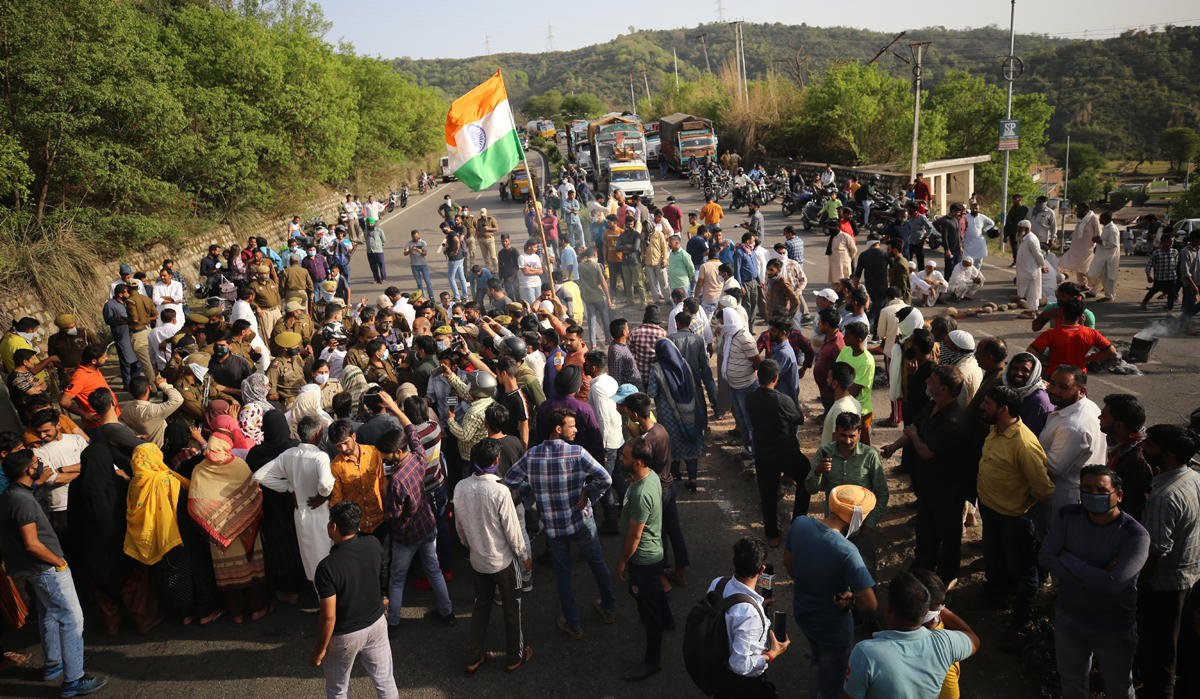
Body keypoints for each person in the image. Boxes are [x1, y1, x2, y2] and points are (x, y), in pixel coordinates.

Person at [1, 449, 109, 696]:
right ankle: (74, 679)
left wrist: (37, 485)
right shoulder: (23, 501)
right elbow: (32, 543)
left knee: (48, 613)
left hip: (32, 569)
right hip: (46, 568)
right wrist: (59, 562)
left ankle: (54, 663)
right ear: (29, 470)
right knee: (71, 618)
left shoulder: (11, 494)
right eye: (36, 463)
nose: (39, 465)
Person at [502, 407, 615, 639]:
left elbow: (510, 479)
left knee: (563, 574)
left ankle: (573, 624)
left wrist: (532, 493)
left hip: (553, 527)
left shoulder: (532, 455)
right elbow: (606, 478)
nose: (576, 430)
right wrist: (588, 491)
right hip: (581, 521)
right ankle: (608, 608)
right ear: (558, 428)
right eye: (571, 426)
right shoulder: (577, 452)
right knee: (598, 565)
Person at [1038, 465, 1148, 699]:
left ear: (1118, 495)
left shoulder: (1135, 535)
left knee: (1119, 689)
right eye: (1087, 488)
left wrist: (1066, 557)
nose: (1093, 494)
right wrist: (1091, 580)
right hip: (1069, 617)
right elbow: (1045, 557)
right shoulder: (1067, 515)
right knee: (1072, 684)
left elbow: (1113, 584)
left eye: (1101, 490)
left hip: (1112, 626)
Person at [782, 484, 878, 699]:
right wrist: (853, 599)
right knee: (830, 678)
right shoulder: (847, 551)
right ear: (857, 516)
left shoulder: (800, 523)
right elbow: (870, 604)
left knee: (819, 658)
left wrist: (811, 583)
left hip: (803, 613)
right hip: (832, 629)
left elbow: (788, 562)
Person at [975, 385, 1054, 627]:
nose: (981, 407)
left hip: (1014, 518)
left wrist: (1020, 502)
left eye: (987, 403)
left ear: (1003, 410)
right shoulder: (996, 429)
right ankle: (994, 595)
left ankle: (1022, 620)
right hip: (990, 510)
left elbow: (1044, 489)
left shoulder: (1024, 444)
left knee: (1023, 571)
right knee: (994, 558)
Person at [455, 438, 532, 674]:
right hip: (503, 562)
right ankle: (514, 656)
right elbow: (513, 531)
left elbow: (460, 528)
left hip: (478, 561)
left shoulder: (460, 487)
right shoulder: (500, 491)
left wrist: (471, 545)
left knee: (481, 606)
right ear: (496, 460)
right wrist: (524, 556)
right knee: (512, 608)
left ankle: (473, 657)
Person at [310, 501, 400, 699]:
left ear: (334, 526)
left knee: (338, 689)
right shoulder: (373, 543)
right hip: (376, 624)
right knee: (385, 682)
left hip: (344, 636)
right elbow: (382, 572)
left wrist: (320, 650)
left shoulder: (327, 568)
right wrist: (384, 599)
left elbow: (328, 617)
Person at [842, 570, 979, 698]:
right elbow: (974, 640)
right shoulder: (946, 642)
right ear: (926, 611)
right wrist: (939, 607)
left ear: (888, 606)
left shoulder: (865, 653)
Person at [1137, 424, 1200, 699]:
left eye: (1149, 444)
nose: (1143, 447)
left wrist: (1139, 584)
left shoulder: (1164, 496)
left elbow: (1156, 551)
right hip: (1189, 576)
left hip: (1164, 585)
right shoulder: (1194, 477)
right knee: (1177, 644)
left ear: (1168, 456)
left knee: (1159, 652)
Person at [378, 418, 456, 633]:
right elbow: (413, 433)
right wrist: (397, 411)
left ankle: (393, 623)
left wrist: (384, 489)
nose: (383, 457)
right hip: (427, 525)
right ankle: (448, 613)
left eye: (385, 454)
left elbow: (394, 513)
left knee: (397, 580)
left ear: (398, 452)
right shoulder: (418, 458)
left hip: (406, 536)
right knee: (434, 570)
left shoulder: (396, 481)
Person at [188, 432, 270, 622]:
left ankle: (236, 614)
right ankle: (257, 610)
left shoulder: (199, 470)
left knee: (228, 574)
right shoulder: (239, 465)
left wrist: (216, 523)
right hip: (246, 528)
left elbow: (197, 504)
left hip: (219, 533)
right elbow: (255, 493)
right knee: (252, 570)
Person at [616, 436, 673, 681]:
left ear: (637, 463)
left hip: (642, 559)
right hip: (654, 554)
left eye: (625, 457)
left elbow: (634, 536)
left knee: (646, 607)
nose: (621, 458)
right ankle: (668, 619)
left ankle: (653, 660)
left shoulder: (640, 494)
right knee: (653, 590)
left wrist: (622, 561)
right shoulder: (650, 477)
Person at [253, 416, 335, 582]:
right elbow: (326, 484)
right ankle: (328, 593)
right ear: (318, 434)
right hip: (320, 514)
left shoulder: (288, 455)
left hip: (301, 513)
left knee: (310, 557)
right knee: (326, 556)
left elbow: (260, 475)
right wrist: (322, 495)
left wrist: (290, 488)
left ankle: (320, 592)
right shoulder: (320, 457)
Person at [707, 538, 789, 699]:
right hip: (742, 686)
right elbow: (739, 665)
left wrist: (758, 606)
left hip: (718, 667)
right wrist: (772, 654)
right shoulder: (750, 614)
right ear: (762, 569)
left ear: (734, 561)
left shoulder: (718, 583)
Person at [745, 360, 811, 547]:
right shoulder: (783, 400)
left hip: (763, 453)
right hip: (786, 453)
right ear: (776, 378)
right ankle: (797, 524)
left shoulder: (750, 397)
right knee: (806, 477)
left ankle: (772, 535)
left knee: (767, 495)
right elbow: (798, 419)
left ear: (758, 376)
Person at [1040, 365, 1106, 529]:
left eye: (1063, 387)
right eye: (1052, 384)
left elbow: (1054, 468)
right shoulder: (1082, 405)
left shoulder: (1073, 426)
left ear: (1081, 391)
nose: (1054, 390)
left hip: (1061, 500)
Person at [647, 339, 706, 489]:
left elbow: (652, 392)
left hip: (668, 415)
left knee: (672, 442)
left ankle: (674, 472)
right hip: (690, 410)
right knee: (691, 442)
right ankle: (692, 478)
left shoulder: (656, 369)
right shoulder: (686, 364)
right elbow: (696, 385)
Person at [1098, 394, 1156, 523]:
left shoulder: (1136, 461)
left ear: (1119, 426)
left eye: (1104, 415)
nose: (1099, 417)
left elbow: (1133, 508)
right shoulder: (1120, 446)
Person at [1002, 352, 1054, 437]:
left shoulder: (1038, 401)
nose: (1018, 373)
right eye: (1015, 368)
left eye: (1025, 370)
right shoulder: (1012, 391)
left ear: (1033, 373)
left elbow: (1023, 437)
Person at [1060, 202, 1100, 289]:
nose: (1077, 211)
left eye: (1079, 209)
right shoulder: (1079, 219)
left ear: (1086, 209)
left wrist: (1097, 246)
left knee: (1088, 267)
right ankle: (1082, 284)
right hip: (1077, 247)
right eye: (1077, 209)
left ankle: (1095, 285)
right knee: (1079, 266)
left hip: (1088, 247)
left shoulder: (1094, 218)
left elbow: (1098, 233)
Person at [1142, 232, 1180, 311]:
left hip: (1171, 277)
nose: (1171, 243)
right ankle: (1144, 302)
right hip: (1160, 278)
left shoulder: (1174, 252)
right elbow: (1149, 265)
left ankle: (1169, 310)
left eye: (1172, 242)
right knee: (1154, 290)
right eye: (1169, 241)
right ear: (1163, 242)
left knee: (1171, 293)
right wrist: (1148, 275)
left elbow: (1176, 265)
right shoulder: (1157, 253)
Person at [1002, 193, 1030, 267]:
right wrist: (1006, 233)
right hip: (1012, 230)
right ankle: (1015, 261)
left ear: (1020, 199)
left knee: (1023, 247)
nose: (1013, 200)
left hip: (1022, 231)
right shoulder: (1012, 209)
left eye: (1015, 199)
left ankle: (1023, 262)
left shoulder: (1025, 209)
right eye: (1013, 199)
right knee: (1014, 247)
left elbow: (1028, 220)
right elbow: (1008, 221)